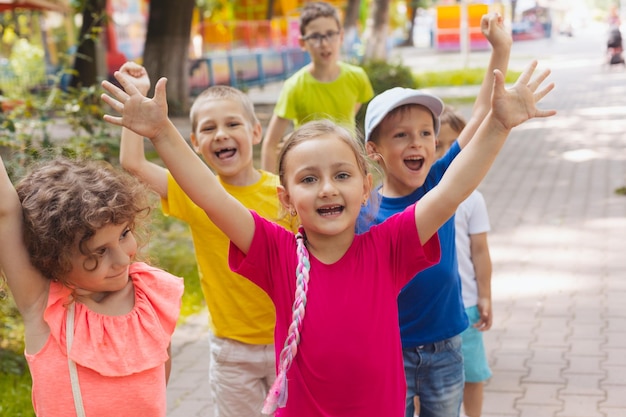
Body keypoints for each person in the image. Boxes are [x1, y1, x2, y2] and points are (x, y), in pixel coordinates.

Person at [100, 57, 555, 416]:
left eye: (341, 174)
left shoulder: (389, 245)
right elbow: (210, 196)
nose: (328, 188)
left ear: (364, 187)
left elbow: (453, 186)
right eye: (309, 179)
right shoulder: (277, 253)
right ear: (286, 198)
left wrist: (498, 126)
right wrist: (161, 131)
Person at [117, 61, 297, 417]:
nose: (221, 134)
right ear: (196, 143)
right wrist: (137, 97)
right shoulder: (194, 192)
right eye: (209, 129)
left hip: (290, 342)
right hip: (231, 349)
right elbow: (133, 163)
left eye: (232, 124)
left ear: (256, 132)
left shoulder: (284, 194)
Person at [356, 13, 512, 417]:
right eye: (401, 135)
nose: (419, 143)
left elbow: (479, 118)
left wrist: (500, 49)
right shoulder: (364, 212)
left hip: (446, 344)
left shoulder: (438, 183)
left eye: (426, 133)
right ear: (374, 151)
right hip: (390, 349)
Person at [0, 156, 183, 416]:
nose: (122, 258)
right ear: (55, 258)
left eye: (124, 234)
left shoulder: (151, 295)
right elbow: (5, 210)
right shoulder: (42, 305)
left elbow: (157, 390)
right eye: (98, 252)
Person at [260, 0, 374, 172]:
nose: (324, 43)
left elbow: (350, 111)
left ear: (341, 36)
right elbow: (270, 144)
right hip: (309, 168)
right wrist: (269, 191)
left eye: (330, 34)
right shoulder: (294, 86)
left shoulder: (357, 77)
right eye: (315, 36)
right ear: (302, 43)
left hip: (348, 163)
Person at [436, 106, 493, 417]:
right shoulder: (420, 197)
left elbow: (480, 252)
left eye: (454, 145)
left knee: (473, 374)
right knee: (424, 377)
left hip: (466, 306)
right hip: (431, 311)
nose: (447, 154)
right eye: (438, 146)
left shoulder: (473, 198)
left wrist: (485, 295)